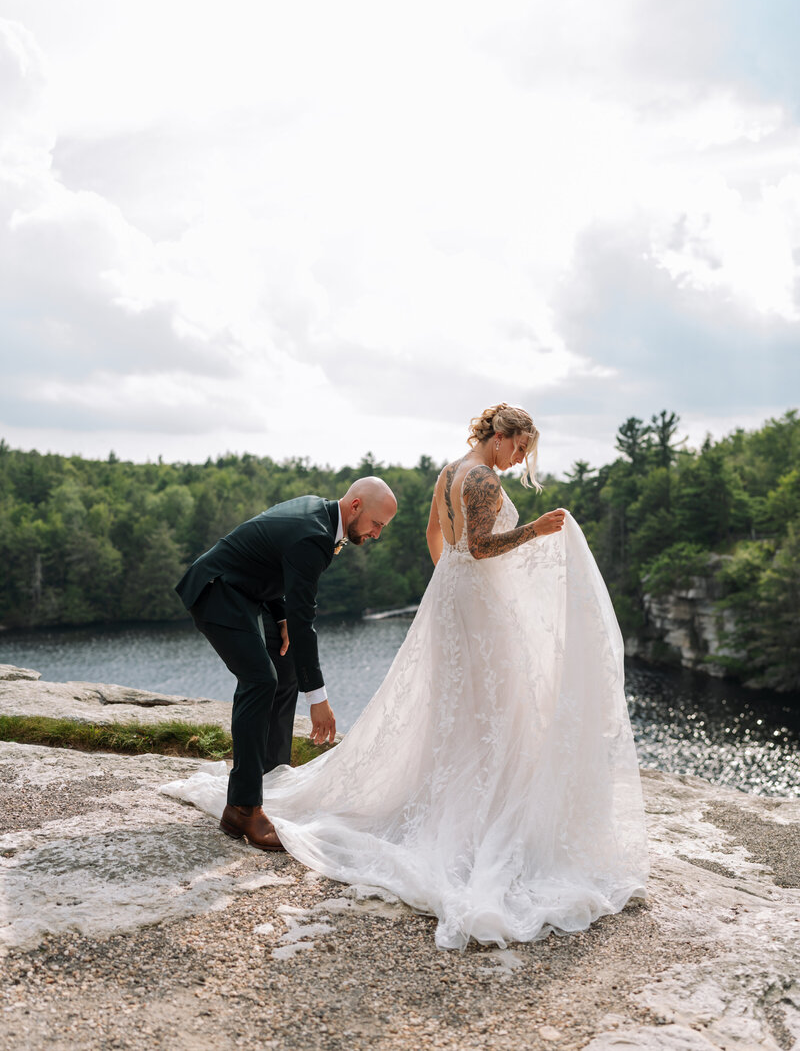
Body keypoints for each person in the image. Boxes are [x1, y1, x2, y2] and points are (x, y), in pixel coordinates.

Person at [165, 406, 648, 949]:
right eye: (519, 450)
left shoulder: (449, 472)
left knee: (454, 705)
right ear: (501, 438)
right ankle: (246, 806)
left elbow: (433, 535)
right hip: (237, 591)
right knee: (487, 706)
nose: (518, 463)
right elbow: (483, 547)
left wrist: (452, 580)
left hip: (452, 598)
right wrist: (534, 531)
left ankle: (259, 788)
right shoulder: (481, 479)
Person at [174, 477, 397, 851]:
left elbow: (273, 563)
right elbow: (304, 621)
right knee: (259, 680)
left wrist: (280, 619)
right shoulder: (315, 535)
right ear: (355, 506)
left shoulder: (320, 516)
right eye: (376, 524)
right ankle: (243, 808)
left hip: (247, 593)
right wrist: (318, 699)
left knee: (285, 667)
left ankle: (269, 779)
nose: (377, 534)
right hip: (216, 591)